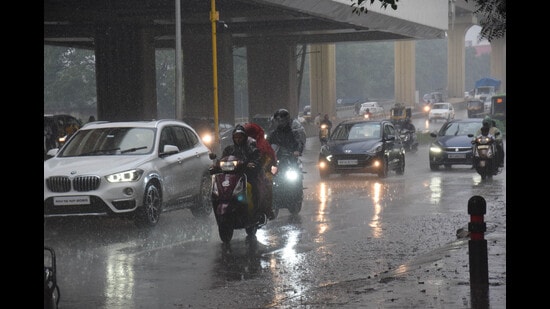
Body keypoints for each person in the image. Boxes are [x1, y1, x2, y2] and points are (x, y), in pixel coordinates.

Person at [220, 125, 263, 216]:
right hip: (230, 178)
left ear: (244, 137)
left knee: (253, 188)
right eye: (236, 137)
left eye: (240, 137)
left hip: (247, 176)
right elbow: (222, 160)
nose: (238, 139)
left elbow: (258, 160)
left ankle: (255, 213)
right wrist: (216, 166)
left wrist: (252, 164)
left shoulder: (251, 149)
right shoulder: (229, 150)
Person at [243, 122, 277, 220]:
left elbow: (269, 159)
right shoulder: (241, 144)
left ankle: (266, 210)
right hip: (243, 171)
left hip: (259, 171)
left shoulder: (263, 145)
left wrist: (260, 168)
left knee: (266, 185)